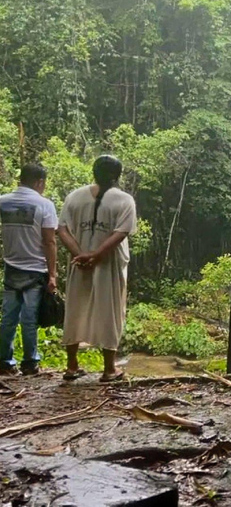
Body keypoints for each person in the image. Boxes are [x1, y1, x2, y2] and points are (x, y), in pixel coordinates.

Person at [59, 155, 136, 382]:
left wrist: (80, 255)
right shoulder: (124, 200)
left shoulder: (75, 197)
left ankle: (72, 366)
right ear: (117, 176)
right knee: (110, 312)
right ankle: (109, 369)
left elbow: (62, 229)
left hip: (78, 264)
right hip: (108, 265)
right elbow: (120, 233)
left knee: (75, 309)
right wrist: (96, 255)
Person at [0, 164, 58, 376]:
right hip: (35, 269)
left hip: (11, 266)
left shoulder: (3, 202)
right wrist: (52, 274)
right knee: (29, 318)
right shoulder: (44, 205)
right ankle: (30, 362)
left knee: (8, 317)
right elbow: (50, 241)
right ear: (39, 182)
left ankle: (4, 362)